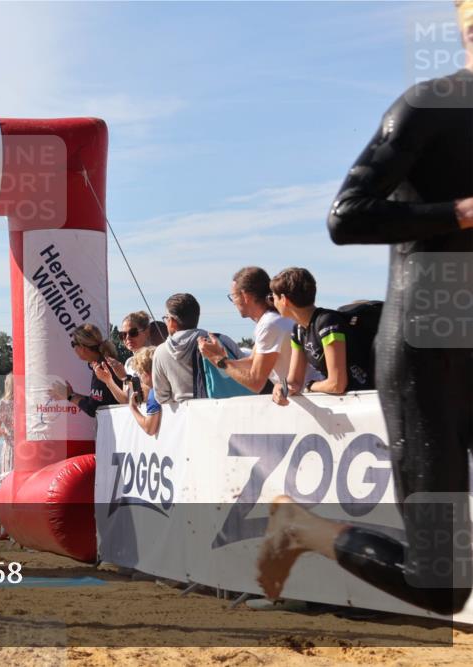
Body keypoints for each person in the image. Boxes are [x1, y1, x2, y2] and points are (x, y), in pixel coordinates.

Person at [258, 1, 473, 615]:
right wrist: (458, 212)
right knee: (441, 582)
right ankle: (300, 528)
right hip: (426, 361)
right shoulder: (429, 107)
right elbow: (345, 216)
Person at [267, 267, 375, 405]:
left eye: (272, 297)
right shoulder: (298, 330)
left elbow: (337, 384)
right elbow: (294, 381)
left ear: (283, 299)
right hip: (350, 403)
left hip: (367, 401)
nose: (272, 303)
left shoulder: (327, 322)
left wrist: (310, 386)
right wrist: (281, 387)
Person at [198, 267, 294, 395]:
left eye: (233, 296)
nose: (233, 303)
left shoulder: (268, 324)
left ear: (245, 296)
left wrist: (219, 360)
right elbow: (252, 362)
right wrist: (222, 359)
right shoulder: (272, 319)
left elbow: (256, 383)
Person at [152, 293, 243, 405]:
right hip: (227, 408)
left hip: (187, 416)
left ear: (172, 322)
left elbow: (161, 397)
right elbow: (246, 370)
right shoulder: (221, 340)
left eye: (166, 318)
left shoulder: (161, 352)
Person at [47, 324, 120, 417]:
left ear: (83, 347)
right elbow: (97, 402)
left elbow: (94, 409)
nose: (73, 348)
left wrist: (70, 396)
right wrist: (71, 395)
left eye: (73, 344)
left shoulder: (102, 367)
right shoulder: (102, 362)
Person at [101, 311, 156, 404]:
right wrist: (109, 381)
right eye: (123, 335)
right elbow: (126, 400)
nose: (127, 338)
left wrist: (125, 378)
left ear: (146, 332)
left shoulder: (155, 356)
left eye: (133, 333)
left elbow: (153, 393)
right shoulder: (129, 362)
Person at [127, 346, 162, 436]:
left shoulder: (154, 392)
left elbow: (149, 429)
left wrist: (133, 407)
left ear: (146, 373)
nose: (140, 378)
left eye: (140, 372)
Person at [0, 373, 14, 474]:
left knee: (8, 483)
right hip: (29, 450)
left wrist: (5, 432)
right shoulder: (29, 403)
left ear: (7, 385)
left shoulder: (2, 404)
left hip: (11, 450)